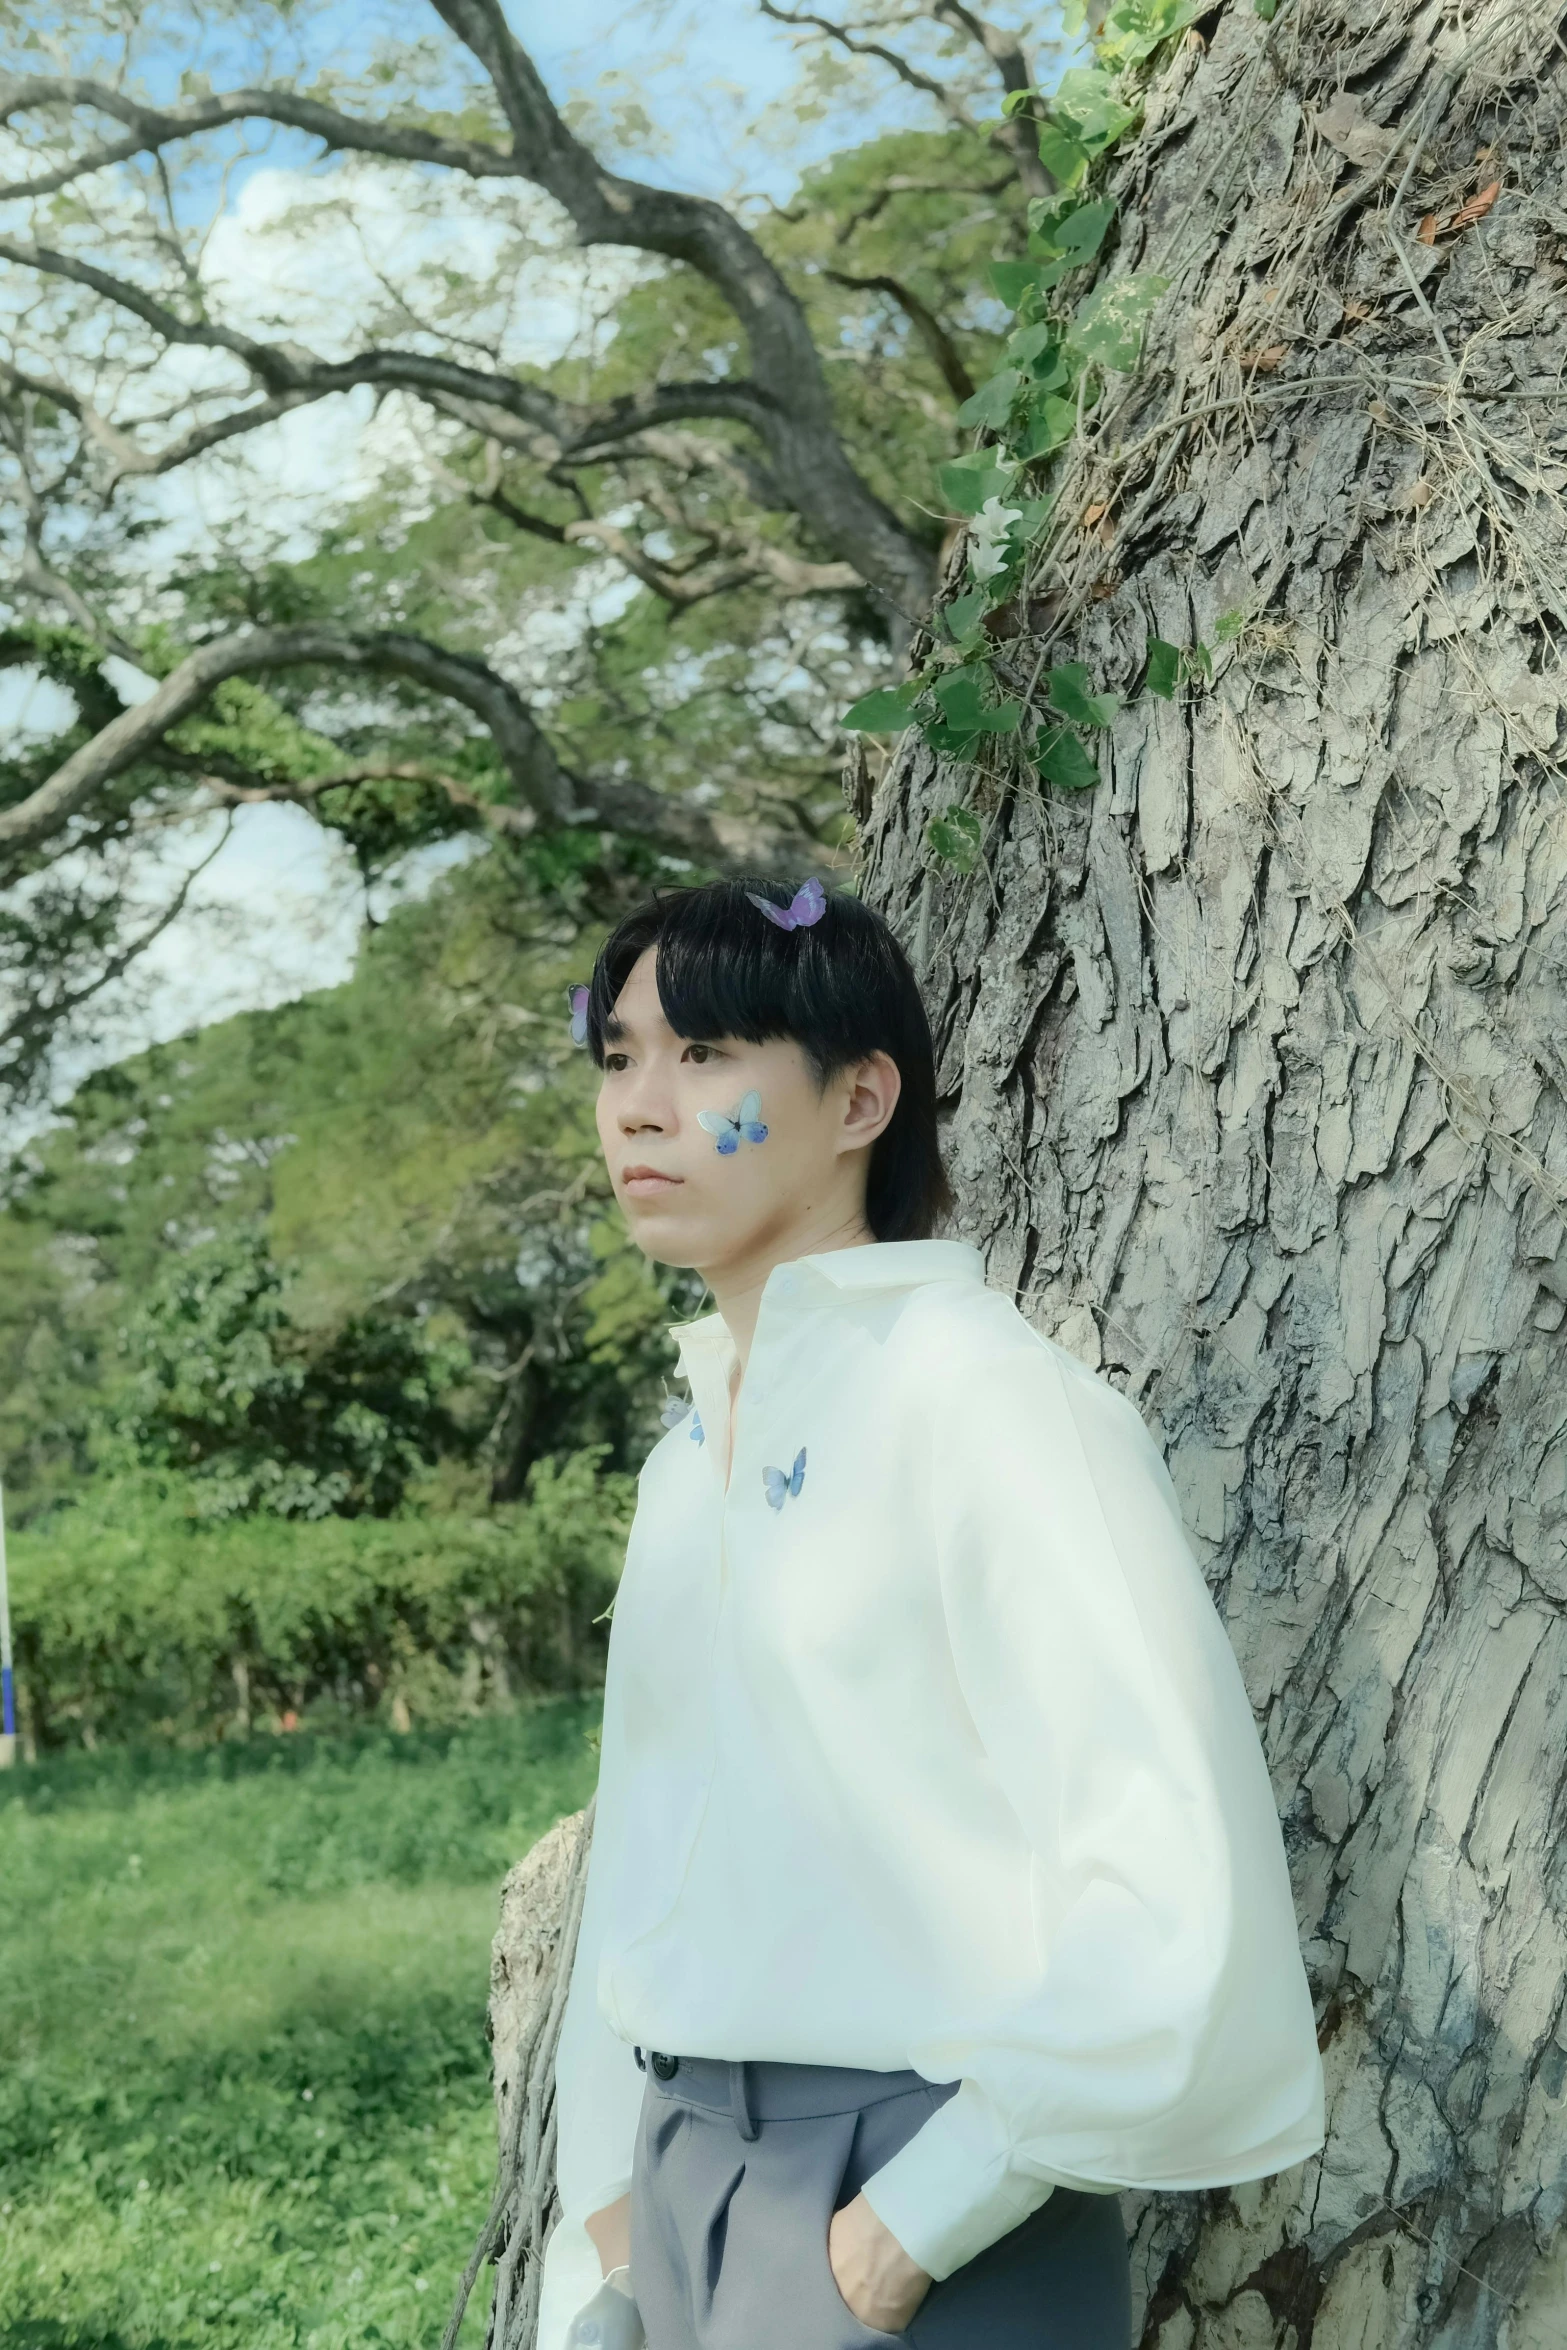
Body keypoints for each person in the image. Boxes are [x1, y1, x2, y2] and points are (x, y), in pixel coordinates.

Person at [540, 876, 1325, 2350]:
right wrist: (614, 2216)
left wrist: (902, 2236)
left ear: (859, 1100)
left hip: (925, 2211)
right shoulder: (676, 1467)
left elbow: (1163, 1873)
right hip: (680, 2191)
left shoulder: (988, 1407)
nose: (640, 1105)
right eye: (618, 1055)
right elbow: (642, 1852)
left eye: (706, 1056)